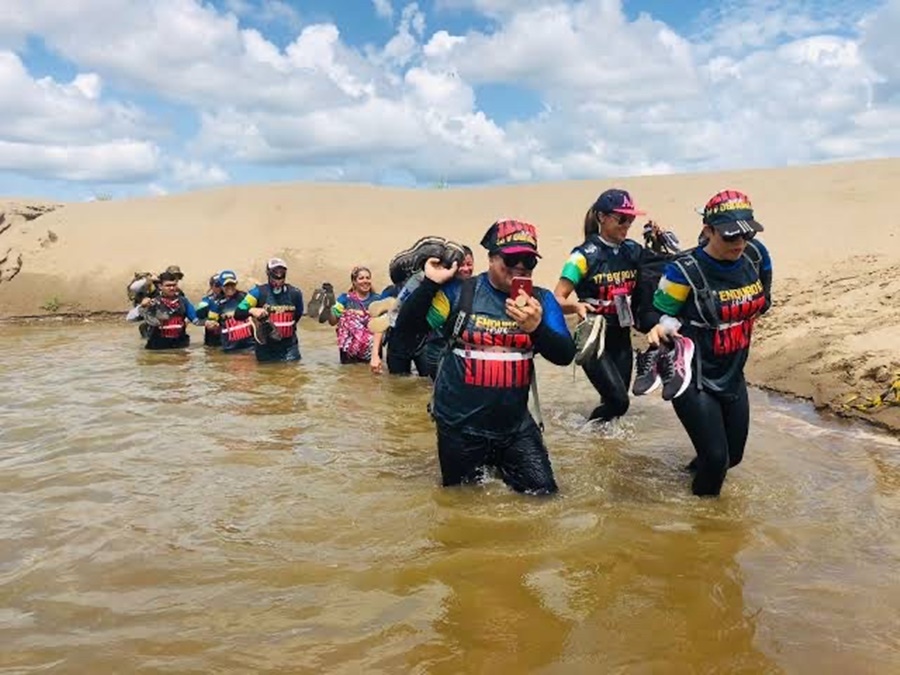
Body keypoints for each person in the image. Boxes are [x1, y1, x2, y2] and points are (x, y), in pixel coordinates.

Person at [394, 219, 575, 495]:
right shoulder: (460, 293)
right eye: (512, 258)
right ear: (491, 257)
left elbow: (564, 355)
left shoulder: (542, 300)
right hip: (459, 428)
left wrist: (537, 329)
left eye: (529, 260)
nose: (521, 266)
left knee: (545, 497)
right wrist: (430, 285)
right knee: (461, 504)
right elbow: (407, 332)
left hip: (514, 429)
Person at [644, 189, 773, 497]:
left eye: (746, 233)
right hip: (693, 375)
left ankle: (685, 480)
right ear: (708, 230)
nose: (740, 243)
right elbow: (658, 312)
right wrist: (661, 327)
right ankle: (704, 533)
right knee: (716, 460)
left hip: (733, 371)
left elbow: (764, 299)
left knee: (733, 457)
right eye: (730, 236)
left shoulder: (756, 256)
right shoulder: (683, 271)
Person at [553, 188, 675, 423]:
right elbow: (557, 297)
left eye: (630, 219)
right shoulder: (581, 257)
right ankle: (586, 432)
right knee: (619, 402)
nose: (627, 224)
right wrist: (576, 307)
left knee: (615, 402)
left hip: (621, 335)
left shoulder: (633, 250)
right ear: (602, 217)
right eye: (621, 218)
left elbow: (657, 269)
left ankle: (601, 445)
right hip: (594, 339)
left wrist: (660, 242)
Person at [370, 243, 473, 377]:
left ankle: (392, 308)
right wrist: (375, 355)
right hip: (401, 339)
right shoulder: (416, 284)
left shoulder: (463, 286)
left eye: (469, 264)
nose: (465, 269)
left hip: (425, 341)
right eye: (462, 265)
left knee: (425, 382)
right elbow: (382, 326)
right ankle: (391, 307)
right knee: (399, 382)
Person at [232, 258, 304, 362]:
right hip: (265, 348)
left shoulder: (295, 293)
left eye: (281, 272)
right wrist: (252, 311)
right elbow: (238, 313)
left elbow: (298, 315)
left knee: (292, 375)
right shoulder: (257, 292)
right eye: (275, 272)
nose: (279, 276)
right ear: (268, 273)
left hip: (290, 347)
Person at [126, 270, 199, 349]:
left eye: (174, 285)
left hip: (179, 348)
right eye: (168, 285)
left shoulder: (184, 302)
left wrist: (208, 321)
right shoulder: (153, 302)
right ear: (160, 286)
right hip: (157, 350)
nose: (172, 288)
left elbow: (196, 320)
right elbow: (129, 319)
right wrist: (142, 306)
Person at [328, 266, 379, 364]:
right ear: (354, 282)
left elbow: (383, 324)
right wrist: (332, 310)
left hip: (371, 352)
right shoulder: (344, 299)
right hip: (348, 352)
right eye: (361, 278)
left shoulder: (377, 300)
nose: (365, 281)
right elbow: (332, 322)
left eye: (368, 278)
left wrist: (359, 313)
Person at [207, 270, 255, 352]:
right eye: (226, 285)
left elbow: (256, 311)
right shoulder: (215, 303)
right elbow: (211, 322)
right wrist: (211, 325)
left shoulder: (245, 297)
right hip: (230, 349)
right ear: (221, 286)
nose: (230, 287)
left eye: (232, 284)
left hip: (250, 346)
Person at [195, 273, 223, 347]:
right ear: (211, 287)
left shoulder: (234, 298)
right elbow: (197, 318)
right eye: (217, 285)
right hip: (212, 341)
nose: (220, 288)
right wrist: (206, 322)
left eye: (222, 285)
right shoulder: (206, 301)